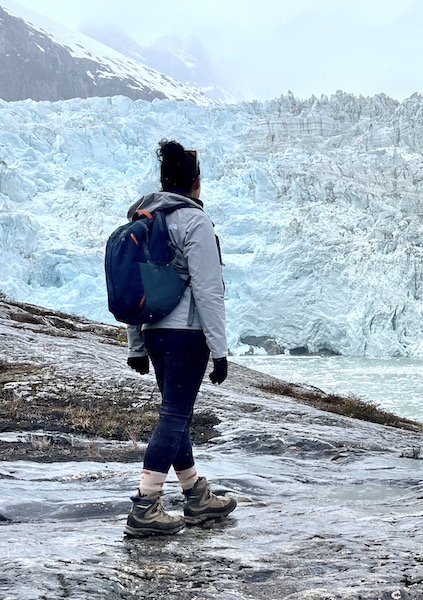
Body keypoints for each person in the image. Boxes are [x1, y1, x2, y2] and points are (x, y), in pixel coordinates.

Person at [123, 140, 236, 537]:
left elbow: (135, 287)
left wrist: (136, 343)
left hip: (154, 333)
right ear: (196, 183)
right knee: (174, 416)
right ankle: (145, 505)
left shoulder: (146, 217)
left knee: (177, 413)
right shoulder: (195, 221)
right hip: (187, 335)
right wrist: (219, 350)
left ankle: (195, 495)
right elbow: (208, 289)